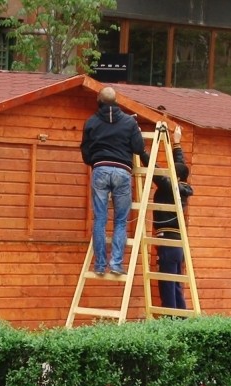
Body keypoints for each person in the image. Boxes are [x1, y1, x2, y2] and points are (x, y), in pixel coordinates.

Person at [80, 87, 149, 276]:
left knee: (100, 219)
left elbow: (86, 154)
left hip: (100, 169)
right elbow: (138, 147)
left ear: (98, 100)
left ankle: (100, 265)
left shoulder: (91, 122)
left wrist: (96, 160)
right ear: (116, 101)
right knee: (120, 220)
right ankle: (116, 264)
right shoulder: (129, 122)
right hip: (122, 171)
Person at [153, 126, 193, 309]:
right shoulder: (181, 185)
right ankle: (181, 318)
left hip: (168, 243)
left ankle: (171, 320)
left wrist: (141, 150)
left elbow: (155, 171)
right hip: (177, 243)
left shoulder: (170, 186)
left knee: (167, 285)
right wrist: (176, 142)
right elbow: (180, 165)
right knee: (176, 285)